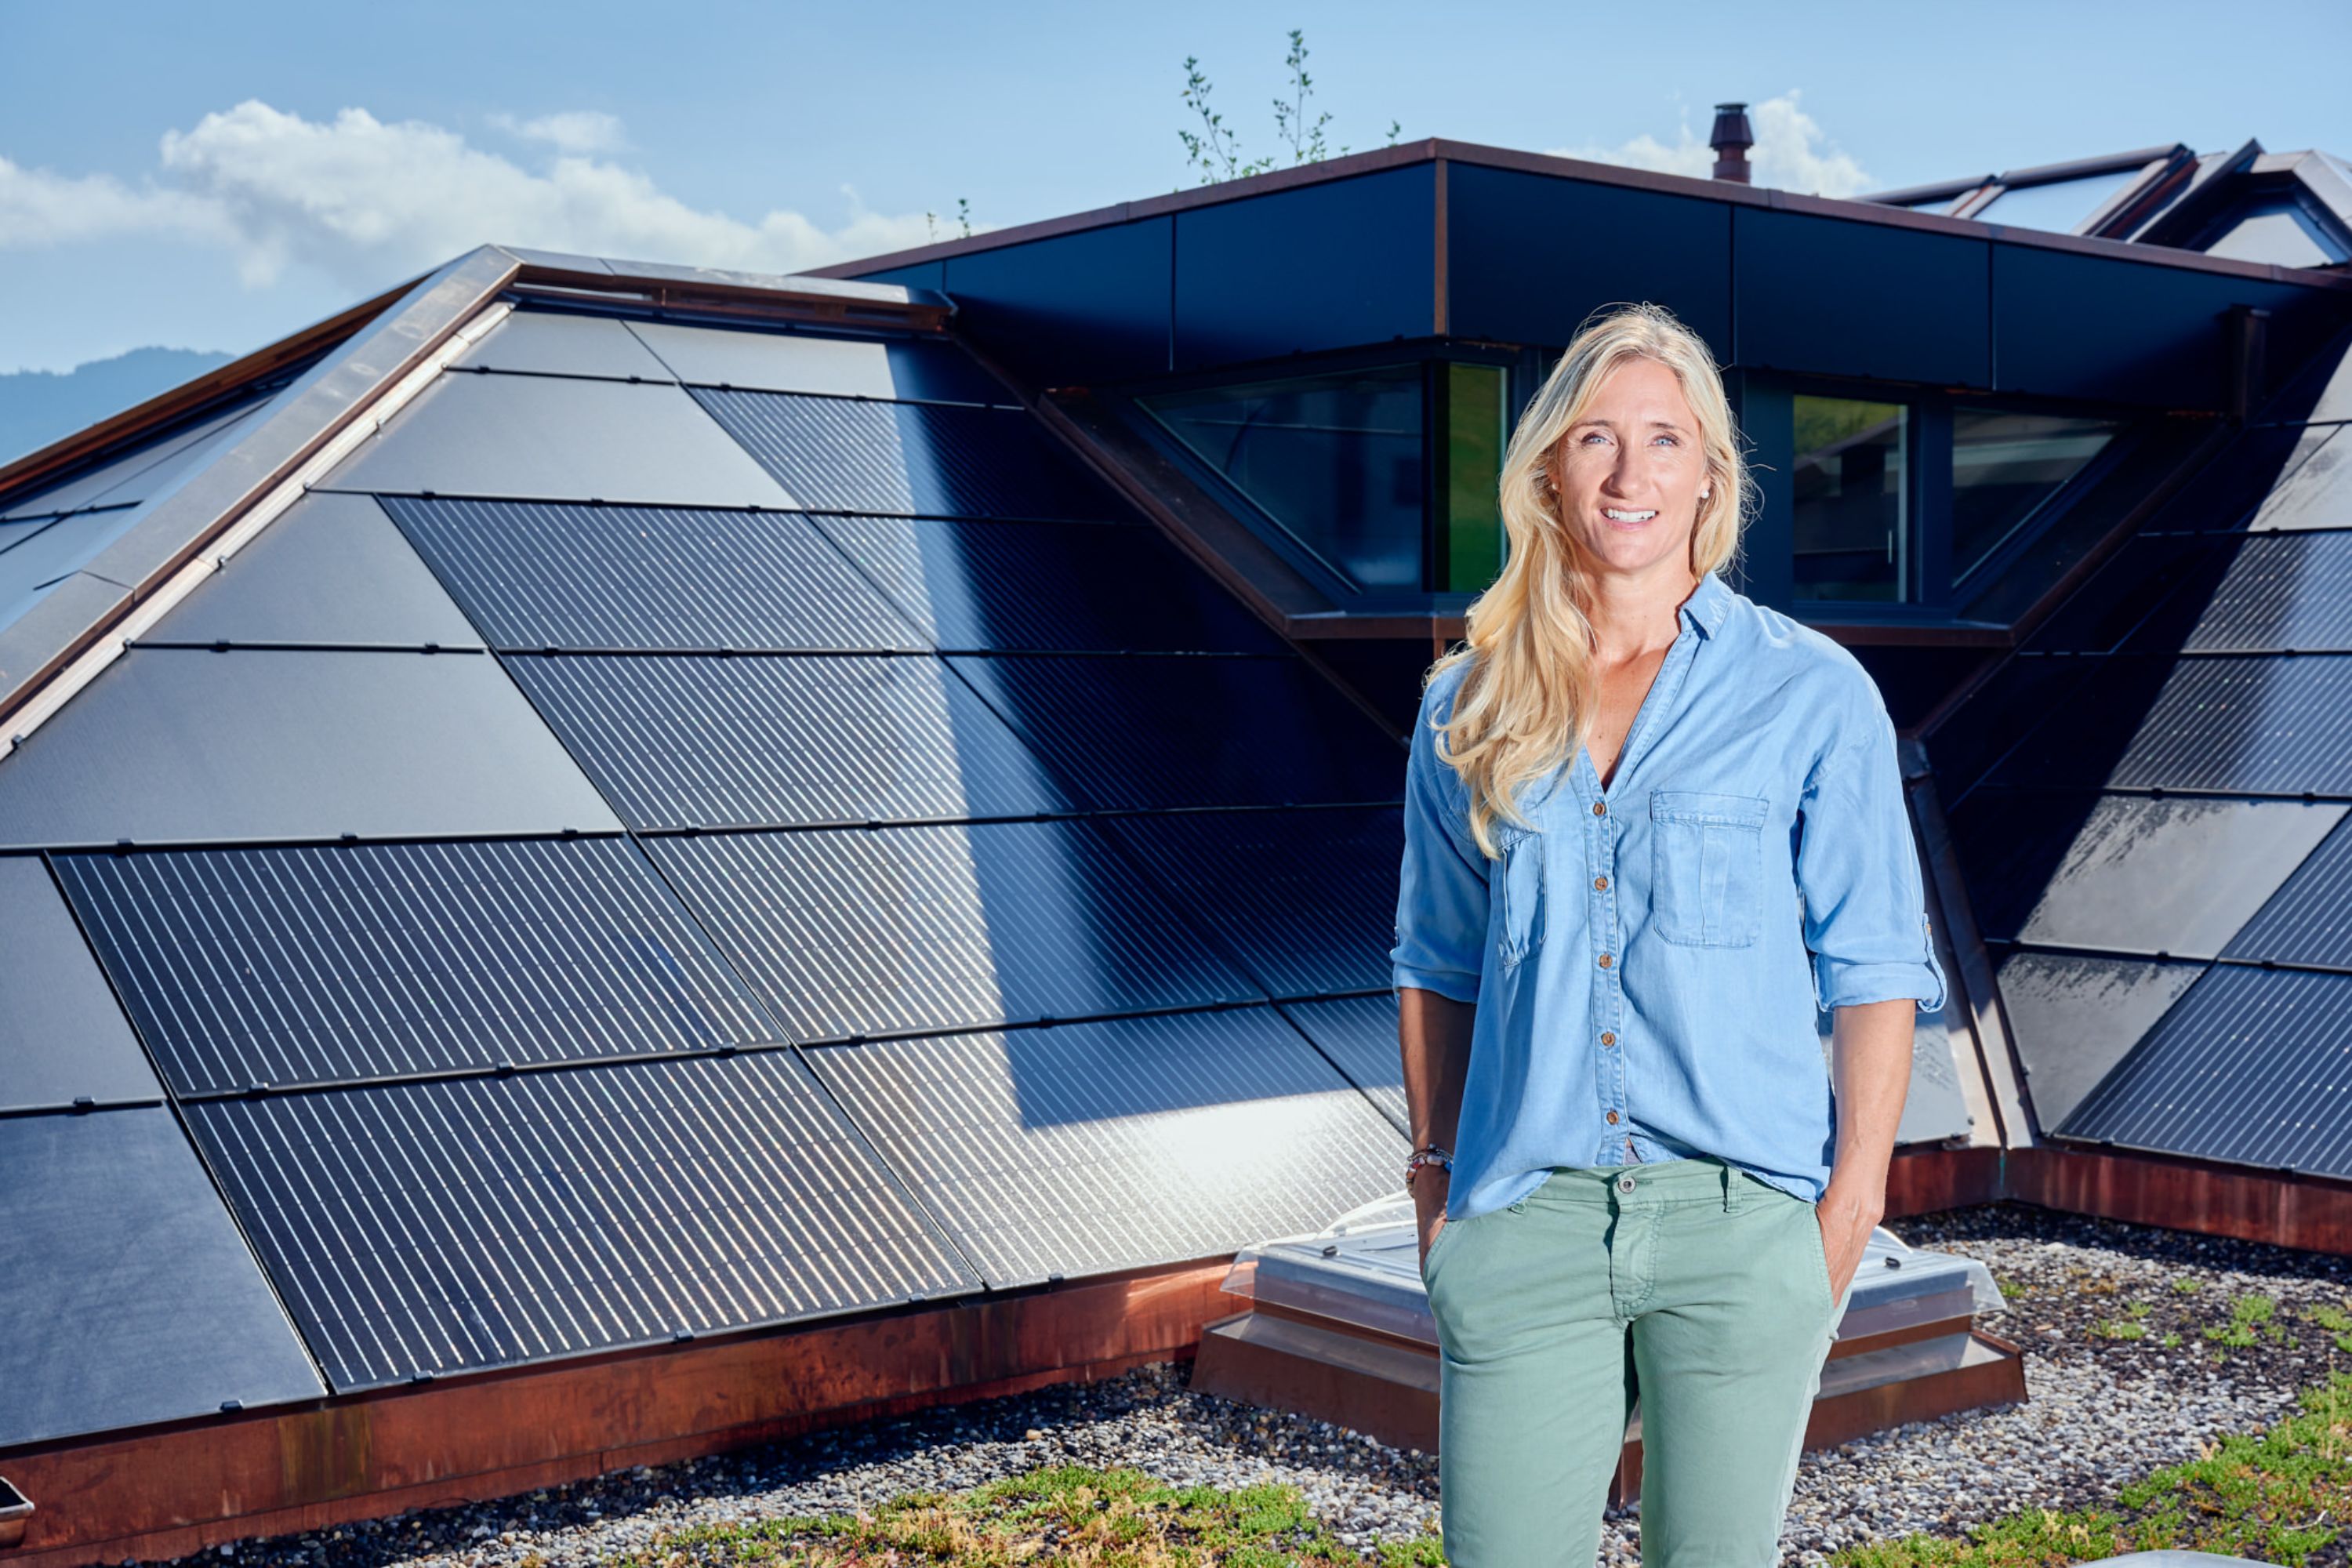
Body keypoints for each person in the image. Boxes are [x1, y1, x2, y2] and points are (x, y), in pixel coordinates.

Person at [1391, 300, 1947, 1567]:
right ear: (1549, 469)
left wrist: (1849, 1209)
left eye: (1663, 439)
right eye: (1595, 437)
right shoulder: (1468, 702)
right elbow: (1437, 960)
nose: (1628, 473)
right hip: (1524, 1219)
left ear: (1710, 476)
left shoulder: (1812, 693)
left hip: (1741, 1226)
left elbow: (1874, 964)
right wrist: (1434, 1189)